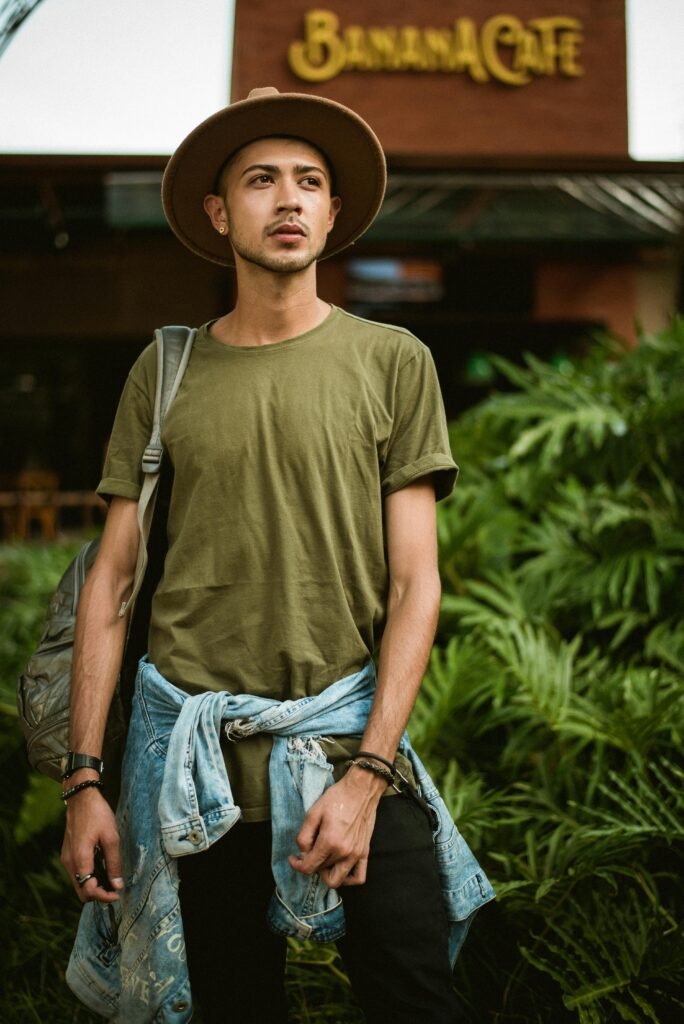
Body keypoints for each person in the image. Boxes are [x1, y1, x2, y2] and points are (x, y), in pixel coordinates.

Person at [60, 87, 494, 1024]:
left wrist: (370, 778)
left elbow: (418, 583)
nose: (288, 199)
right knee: (233, 1007)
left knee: (416, 996)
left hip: (346, 743)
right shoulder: (165, 370)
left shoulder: (392, 360)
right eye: (261, 180)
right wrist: (83, 782)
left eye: (309, 182)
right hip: (191, 766)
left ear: (333, 213)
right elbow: (113, 584)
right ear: (220, 214)